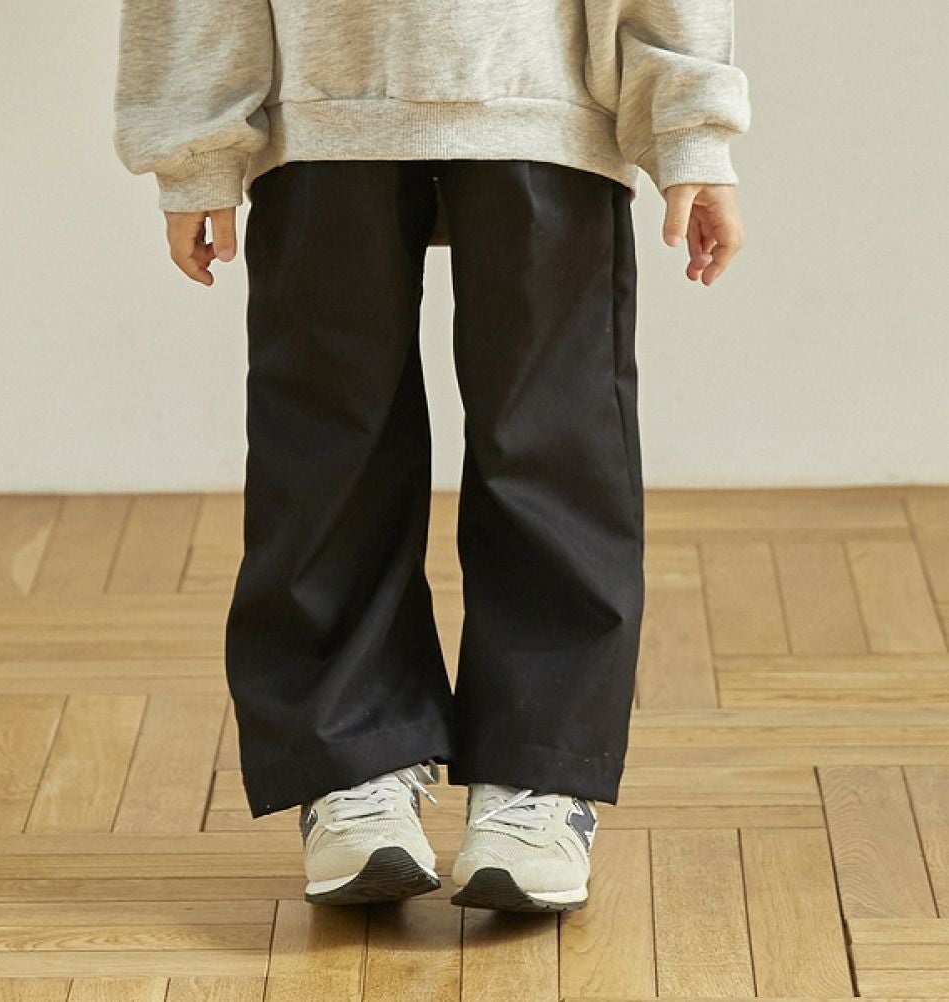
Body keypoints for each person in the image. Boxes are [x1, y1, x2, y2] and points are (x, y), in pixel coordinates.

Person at [113, 0, 751, 913]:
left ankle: (538, 773)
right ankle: (352, 765)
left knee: (556, 445)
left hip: (545, 89)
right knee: (328, 448)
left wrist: (690, 123)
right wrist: (193, 141)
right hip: (322, 103)